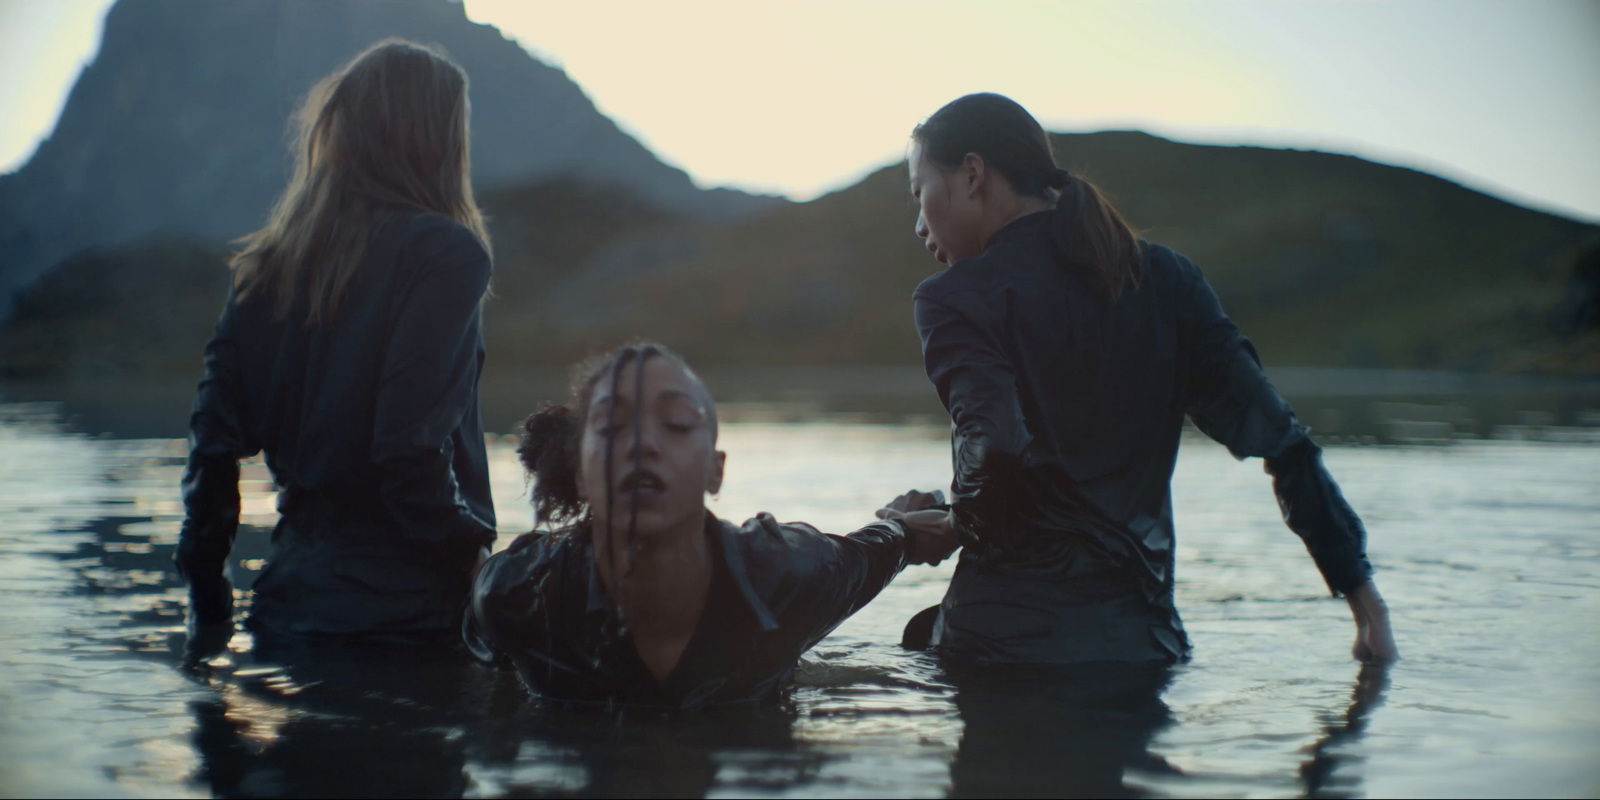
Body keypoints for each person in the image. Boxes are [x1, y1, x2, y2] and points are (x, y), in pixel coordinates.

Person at [900, 92, 1398, 665]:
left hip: (1005, 648)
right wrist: (1366, 604)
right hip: (1145, 648)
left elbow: (999, 451)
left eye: (919, 193)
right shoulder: (1168, 280)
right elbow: (1283, 442)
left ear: (971, 174)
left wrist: (948, 527)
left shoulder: (954, 299)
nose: (918, 224)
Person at [175, 39, 498, 644]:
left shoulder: (263, 272)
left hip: (284, 611)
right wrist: (482, 569)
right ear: (436, 140)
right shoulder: (447, 255)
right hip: (413, 621)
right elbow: (407, 452)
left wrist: (210, 612)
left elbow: (211, 456)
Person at [463, 342, 957, 710]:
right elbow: (480, 656)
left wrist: (905, 528)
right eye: (612, 429)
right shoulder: (519, 594)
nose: (643, 446)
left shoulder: (786, 574)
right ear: (580, 474)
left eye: (676, 424)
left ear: (715, 471)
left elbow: (877, 550)